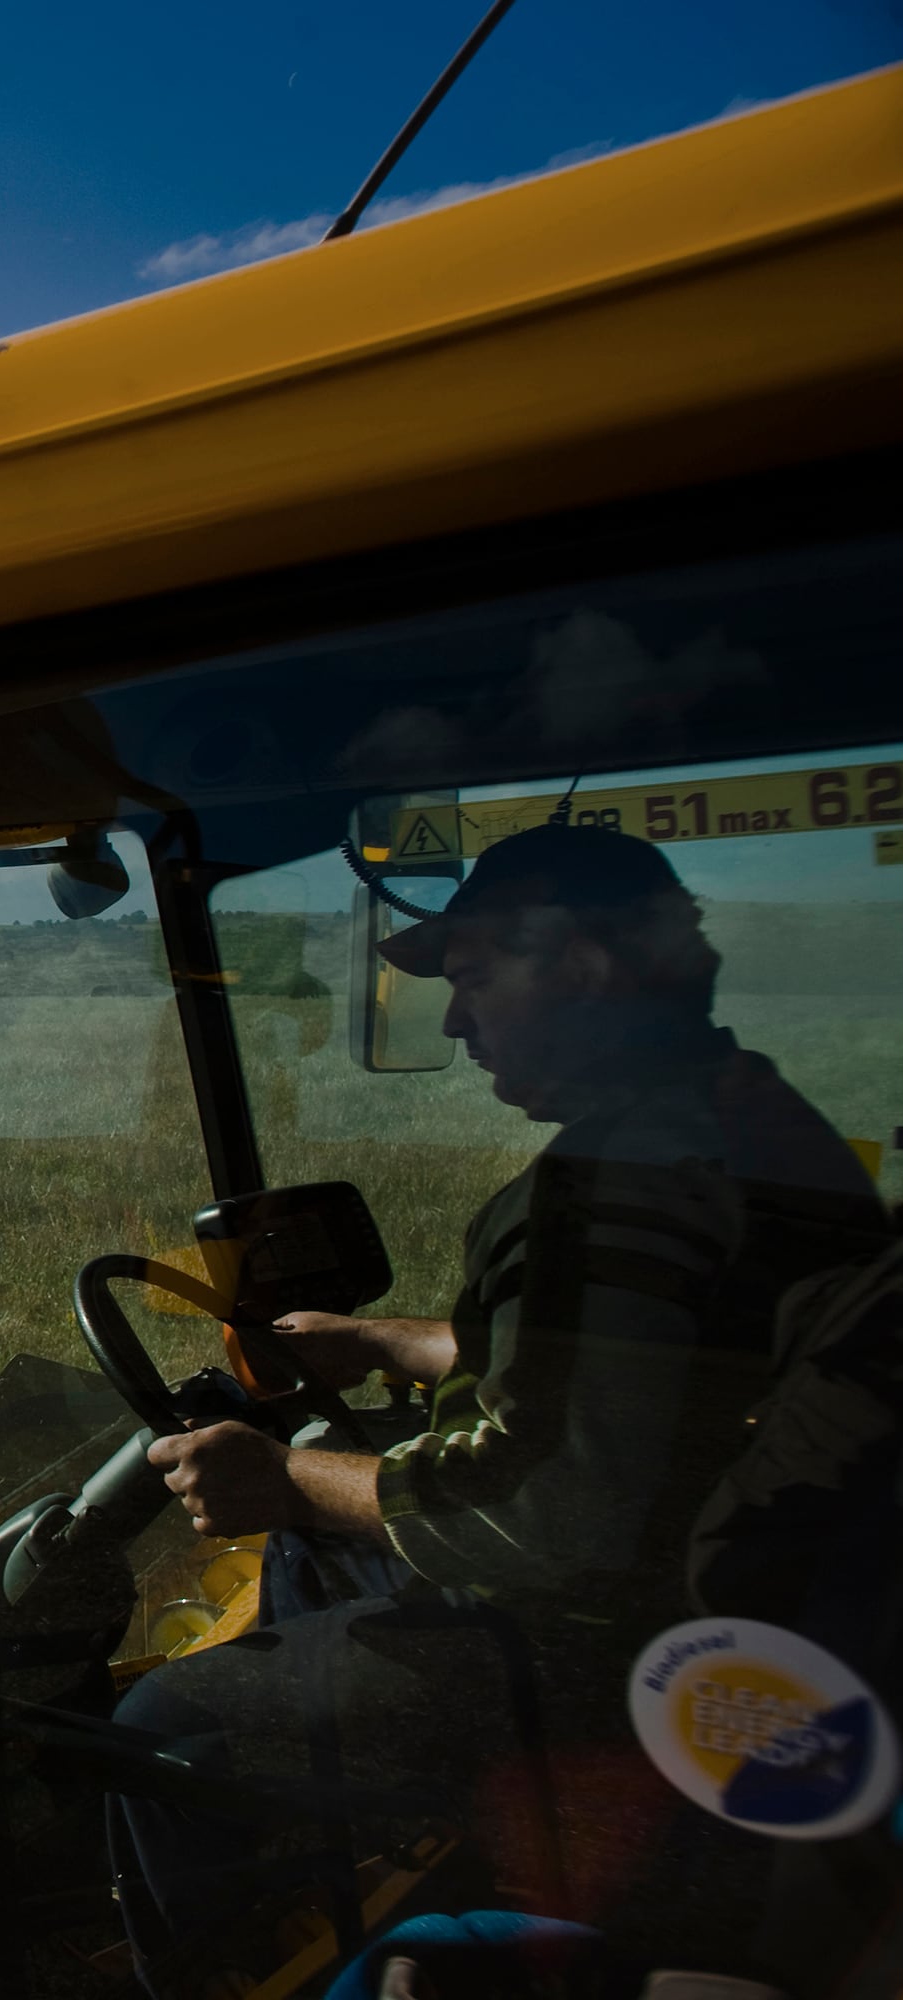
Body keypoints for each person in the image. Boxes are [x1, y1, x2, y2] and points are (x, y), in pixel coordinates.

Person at [106, 823, 892, 1985]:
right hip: (748, 1591)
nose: (460, 1019)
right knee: (314, 1570)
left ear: (583, 967)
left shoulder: (606, 1185)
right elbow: (640, 1363)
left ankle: (233, 1967)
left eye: (476, 978)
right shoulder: (750, 1120)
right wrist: (385, 1338)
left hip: (612, 1637)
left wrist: (285, 1479)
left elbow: (539, 1512)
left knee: (164, 1723)